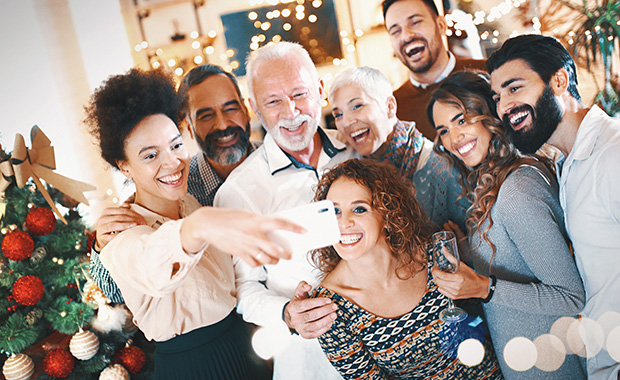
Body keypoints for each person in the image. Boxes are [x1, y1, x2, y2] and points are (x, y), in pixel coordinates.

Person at [84, 68, 303, 379]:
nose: (172, 162)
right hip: (193, 366)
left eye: (175, 145)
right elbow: (151, 268)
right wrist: (198, 226)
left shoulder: (189, 201)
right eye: (149, 156)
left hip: (245, 347)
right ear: (124, 166)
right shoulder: (122, 231)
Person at [427, 71, 586, 379]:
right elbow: (519, 261)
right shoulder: (497, 181)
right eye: (443, 130)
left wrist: (483, 287)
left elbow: (571, 296)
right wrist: (470, 253)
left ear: (489, 112)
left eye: (462, 119)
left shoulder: (517, 190)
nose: (454, 138)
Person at [214, 41, 357, 380]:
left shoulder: (358, 149)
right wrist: (286, 313)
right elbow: (244, 290)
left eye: (300, 94)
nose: (291, 112)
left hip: (391, 345)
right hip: (312, 363)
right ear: (255, 108)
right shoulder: (239, 193)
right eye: (273, 101)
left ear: (320, 90)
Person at [486, 34, 620, 380]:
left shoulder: (612, 156)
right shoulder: (567, 161)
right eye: (498, 97)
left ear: (559, 80)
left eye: (515, 88)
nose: (503, 107)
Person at [311, 158, 502, 379]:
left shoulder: (433, 255)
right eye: (334, 211)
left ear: (388, 216)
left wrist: (472, 263)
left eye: (359, 209)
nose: (344, 223)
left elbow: (482, 317)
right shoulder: (329, 308)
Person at [90, 64, 257, 303]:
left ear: (247, 110)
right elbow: (119, 293)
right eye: (206, 115)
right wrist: (100, 248)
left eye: (231, 108)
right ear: (188, 125)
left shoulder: (277, 162)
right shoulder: (180, 189)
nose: (222, 124)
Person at [328, 65, 470, 232]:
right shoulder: (354, 173)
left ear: (389, 106)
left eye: (357, 106)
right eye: (338, 114)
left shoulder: (440, 166)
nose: (346, 122)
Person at [382, 0, 487, 140]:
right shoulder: (393, 110)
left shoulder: (489, 73)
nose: (406, 36)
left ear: (441, 25)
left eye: (415, 22)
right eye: (395, 31)